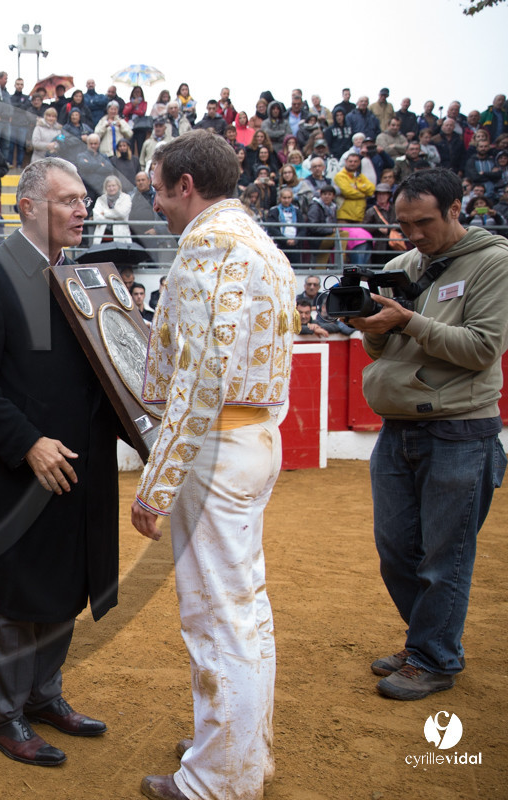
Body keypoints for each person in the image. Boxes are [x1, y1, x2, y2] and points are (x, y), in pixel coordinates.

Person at [131, 130, 296, 800]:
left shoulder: (207, 245)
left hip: (214, 450)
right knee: (245, 607)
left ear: (186, 185)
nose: (158, 204)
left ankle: (217, 781)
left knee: (217, 617)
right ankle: (239, 750)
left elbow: (199, 380)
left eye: (159, 190)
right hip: (254, 436)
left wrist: (157, 484)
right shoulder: (262, 244)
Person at [0, 158, 120, 768]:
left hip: (83, 462)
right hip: (25, 466)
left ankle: (43, 695)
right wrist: (27, 442)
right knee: (18, 593)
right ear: (28, 206)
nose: (84, 210)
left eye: (84, 200)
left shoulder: (78, 276)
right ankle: (1, 714)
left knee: (67, 582)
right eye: (68, 201)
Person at [343, 168, 508, 702]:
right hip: (399, 426)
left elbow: (482, 348)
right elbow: (383, 351)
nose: (412, 234)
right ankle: (424, 641)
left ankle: (435, 657)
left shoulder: (494, 263)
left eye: (424, 222)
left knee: (446, 555)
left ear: (457, 208)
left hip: (462, 429)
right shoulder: (400, 267)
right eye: (404, 223)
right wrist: (373, 331)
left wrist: (407, 321)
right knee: (395, 549)